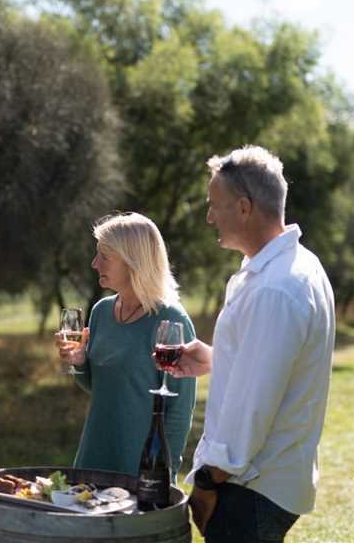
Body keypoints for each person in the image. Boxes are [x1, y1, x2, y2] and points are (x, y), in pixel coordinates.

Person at [166, 145, 335, 542]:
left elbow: (254, 408)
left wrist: (208, 481)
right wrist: (212, 358)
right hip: (263, 482)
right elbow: (272, 367)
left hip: (251, 487)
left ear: (243, 207)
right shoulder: (294, 267)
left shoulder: (275, 289)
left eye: (215, 205)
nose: (209, 217)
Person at [56, 212, 196, 478]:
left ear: (134, 261)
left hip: (140, 466)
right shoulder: (101, 312)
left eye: (105, 257)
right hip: (94, 456)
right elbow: (101, 389)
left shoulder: (171, 319)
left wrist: (162, 473)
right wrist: (78, 364)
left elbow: (179, 411)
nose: (94, 263)